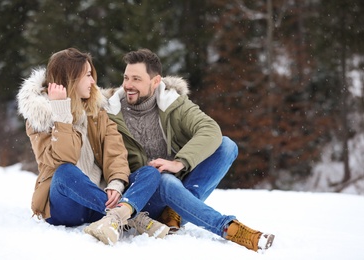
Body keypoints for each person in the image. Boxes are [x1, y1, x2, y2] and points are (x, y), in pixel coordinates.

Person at [102, 48, 275, 252]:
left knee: (227, 146)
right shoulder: (111, 112)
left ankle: (175, 212)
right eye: (126, 78)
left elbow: (210, 130)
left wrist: (180, 162)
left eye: (136, 79)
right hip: (144, 193)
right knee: (165, 180)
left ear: (155, 81)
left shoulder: (172, 102)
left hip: (178, 182)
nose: (128, 85)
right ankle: (228, 228)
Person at [17, 47, 170, 245]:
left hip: (100, 201)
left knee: (150, 173)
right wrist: (61, 113)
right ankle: (131, 216)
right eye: (87, 75)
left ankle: (117, 215)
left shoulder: (97, 112)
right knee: (64, 172)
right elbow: (65, 158)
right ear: (70, 78)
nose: (93, 81)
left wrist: (115, 184)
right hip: (67, 207)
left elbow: (116, 153)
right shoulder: (40, 116)